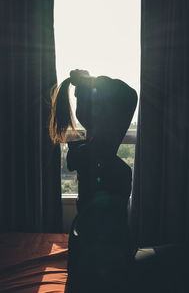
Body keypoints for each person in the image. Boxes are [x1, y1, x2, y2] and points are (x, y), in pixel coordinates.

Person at [49, 69, 138, 293]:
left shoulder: (88, 154)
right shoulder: (107, 163)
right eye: (123, 117)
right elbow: (130, 96)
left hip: (91, 253)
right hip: (98, 262)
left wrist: (89, 84)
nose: (126, 122)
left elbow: (128, 97)